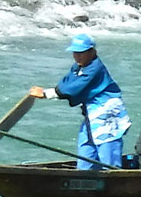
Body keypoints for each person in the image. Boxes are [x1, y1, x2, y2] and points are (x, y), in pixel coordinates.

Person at [30, 32, 131, 170]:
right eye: (75, 52)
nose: (77, 56)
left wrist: (46, 94)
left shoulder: (96, 68)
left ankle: (112, 185)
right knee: (86, 153)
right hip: (91, 116)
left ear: (92, 52)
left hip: (107, 116)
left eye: (81, 52)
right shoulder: (78, 67)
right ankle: (85, 180)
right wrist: (46, 91)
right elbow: (66, 83)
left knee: (109, 159)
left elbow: (73, 89)